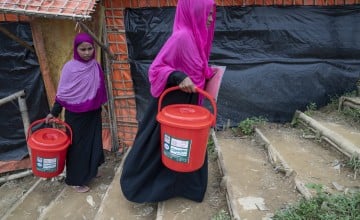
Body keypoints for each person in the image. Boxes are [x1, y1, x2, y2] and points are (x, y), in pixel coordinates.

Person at [120, 0, 217, 203]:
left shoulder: (199, 37)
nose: (210, 18)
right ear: (194, 12)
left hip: (189, 103)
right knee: (161, 146)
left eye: (211, 13)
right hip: (172, 103)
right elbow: (156, 68)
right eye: (207, 13)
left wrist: (208, 73)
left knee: (188, 146)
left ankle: (187, 187)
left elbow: (198, 67)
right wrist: (178, 76)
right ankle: (144, 187)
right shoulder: (181, 37)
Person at [45, 32, 108, 193]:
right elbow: (63, 94)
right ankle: (74, 180)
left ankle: (91, 171)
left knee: (94, 143)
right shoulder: (70, 69)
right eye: (83, 49)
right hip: (76, 116)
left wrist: (101, 106)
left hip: (93, 113)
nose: (87, 52)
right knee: (77, 148)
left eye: (89, 49)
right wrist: (54, 112)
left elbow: (99, 89)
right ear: (76, 49)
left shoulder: (95, 65)